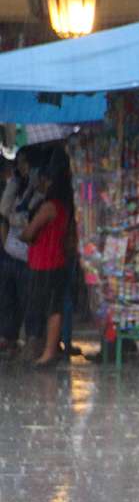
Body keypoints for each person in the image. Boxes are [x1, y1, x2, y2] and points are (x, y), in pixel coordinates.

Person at [20, 146, 73, 368]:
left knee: (46, 308)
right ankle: (50, 350)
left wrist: (24, 229)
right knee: (54, 306)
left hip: (43, 263)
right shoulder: (66, 207)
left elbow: (29, 233)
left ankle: (47, 352)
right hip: (58, 261)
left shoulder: (49, 207)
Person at [0, 147, 43, 355]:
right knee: (8, 300)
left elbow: (26, 219)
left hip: (28, 257)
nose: (21, 167)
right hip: (10, 254)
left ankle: (32, 340)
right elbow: (4, 212)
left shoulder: (39, 191)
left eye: (25, 163)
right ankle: (9, 338)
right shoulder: (16, 187)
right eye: (19, 163)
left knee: (28, 301)